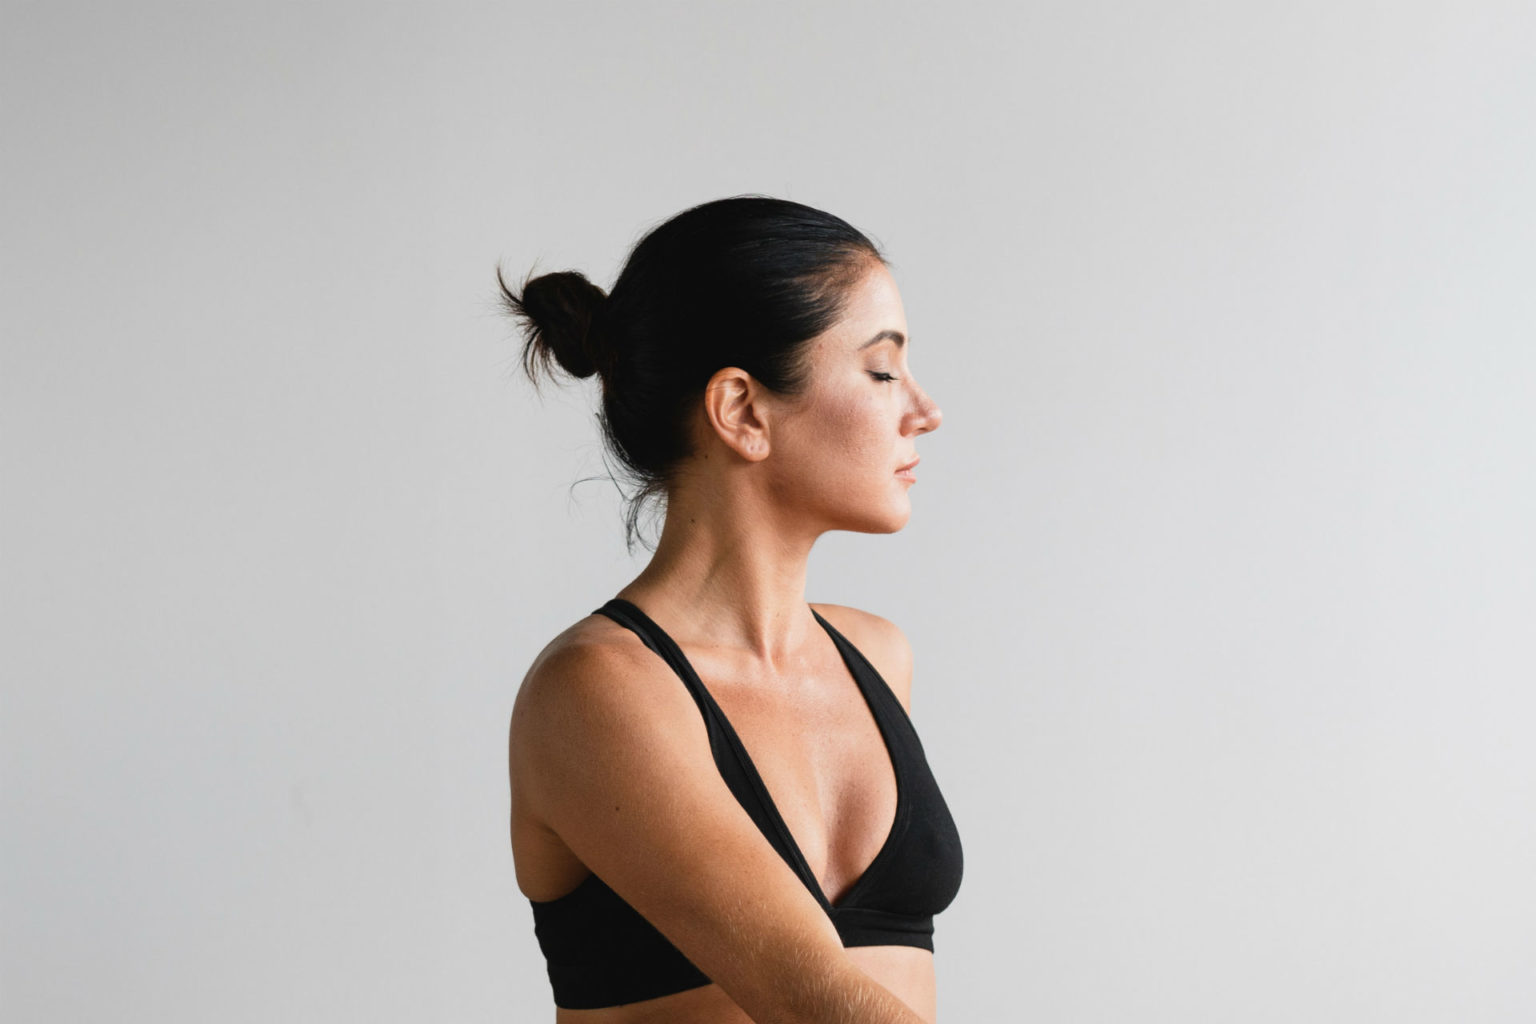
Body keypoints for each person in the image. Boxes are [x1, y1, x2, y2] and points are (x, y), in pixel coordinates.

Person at [501, 196, 962, 1023]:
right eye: (883, 371)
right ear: (743, 411)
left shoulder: (879, 657)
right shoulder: (597, 691)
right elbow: (818, 1003)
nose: (924, 411)